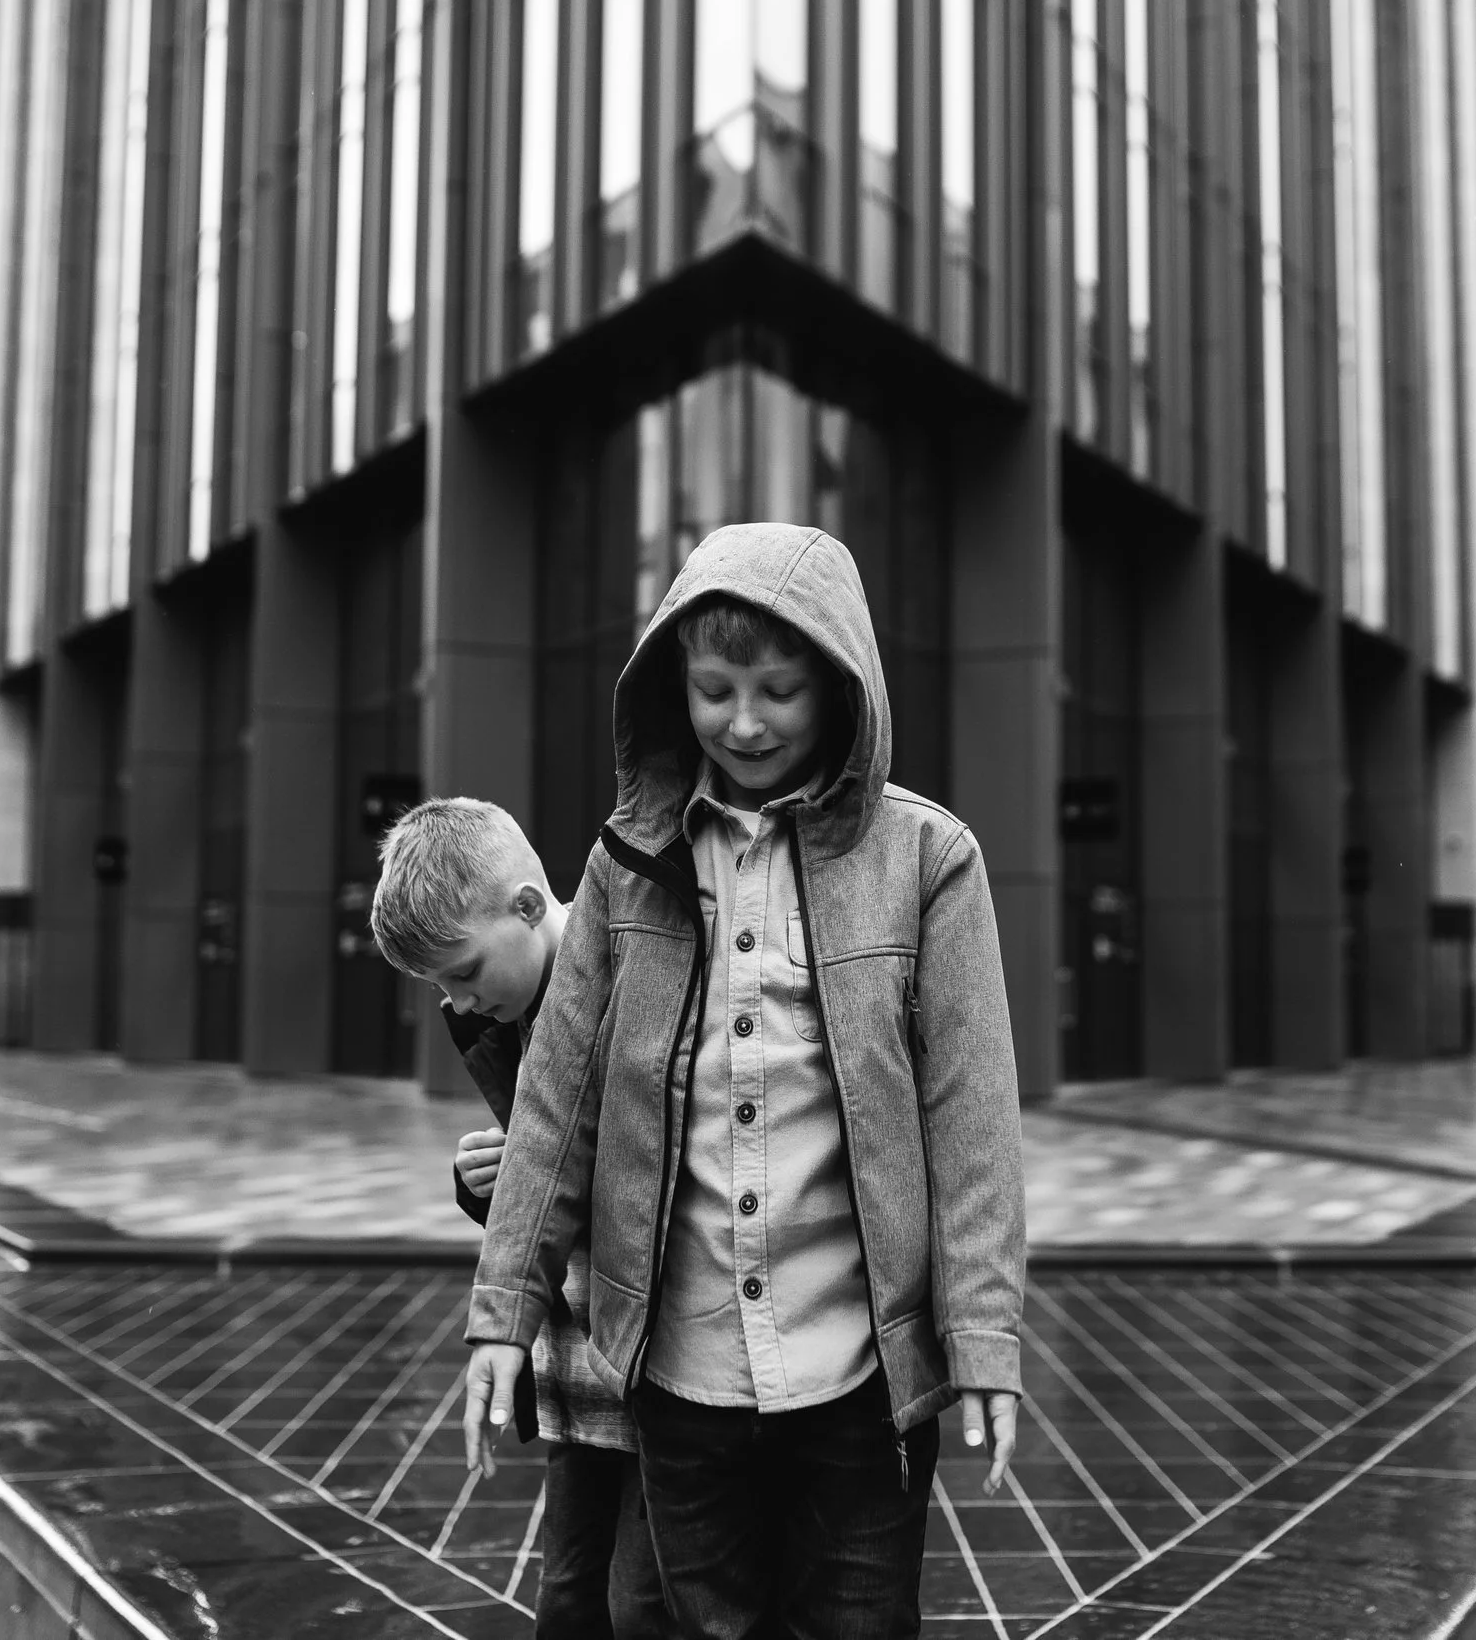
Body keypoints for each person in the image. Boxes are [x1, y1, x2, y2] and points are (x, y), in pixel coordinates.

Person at [461, 522, 1027, 1637]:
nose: (747, 720)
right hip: (682, 1376)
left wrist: (985, 1342)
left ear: (839, 681)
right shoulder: (625, 865)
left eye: (779, 687)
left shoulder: (929, 860)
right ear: (674, 687)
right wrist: (503, 1309)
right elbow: (557, 1103)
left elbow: (971, 1121)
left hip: (863, 1381)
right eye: (715, 688)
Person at [369, 798, 668, 1640]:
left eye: (463, 973)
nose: (459, 1003)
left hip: (660, 1355)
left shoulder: (632, 978)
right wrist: (495, 1181)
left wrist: (543, 1164)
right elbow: (547, 1174)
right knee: (570, 1597)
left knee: (643, 1601)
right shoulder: (508, 1011)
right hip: (579, 1363)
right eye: (441, 988)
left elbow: (680, 1154)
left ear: (529, 907)